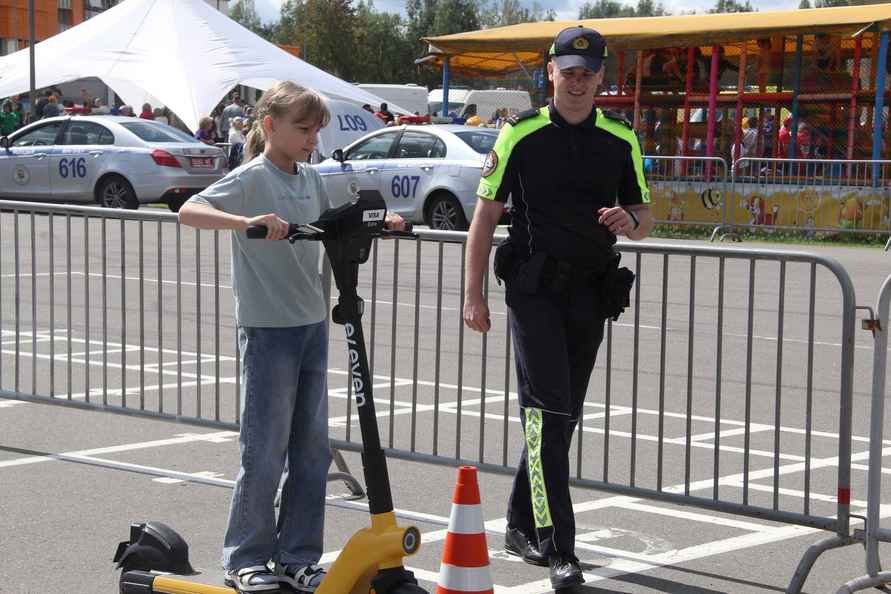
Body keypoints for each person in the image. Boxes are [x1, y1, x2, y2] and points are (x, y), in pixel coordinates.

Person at [178, 81, 404, 594]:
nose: (311, 138)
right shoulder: (252, 178)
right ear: (271, 125)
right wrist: (246, 221)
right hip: (267, 330)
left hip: (309, 325)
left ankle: (297, 555)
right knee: (265, 449)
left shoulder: (311, 179)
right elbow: (189, 210)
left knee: (310, 450)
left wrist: (381, 221)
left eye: (316, 129)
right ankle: (246, 557)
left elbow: (340, 218)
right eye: (303, 129)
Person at [462, 26, 653, 591]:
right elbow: (483, 218)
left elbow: (645, 218)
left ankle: (521, 520)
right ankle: (558, 545)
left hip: (591, 295)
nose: (577, 82)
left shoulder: (622, 138)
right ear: (551, 73)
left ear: (600, 79)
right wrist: (472, 295)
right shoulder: (520, 134)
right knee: (546, 411)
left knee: (560, 416)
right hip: (534, 292)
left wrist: (630, 222)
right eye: (568, 71)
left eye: (587, 73)